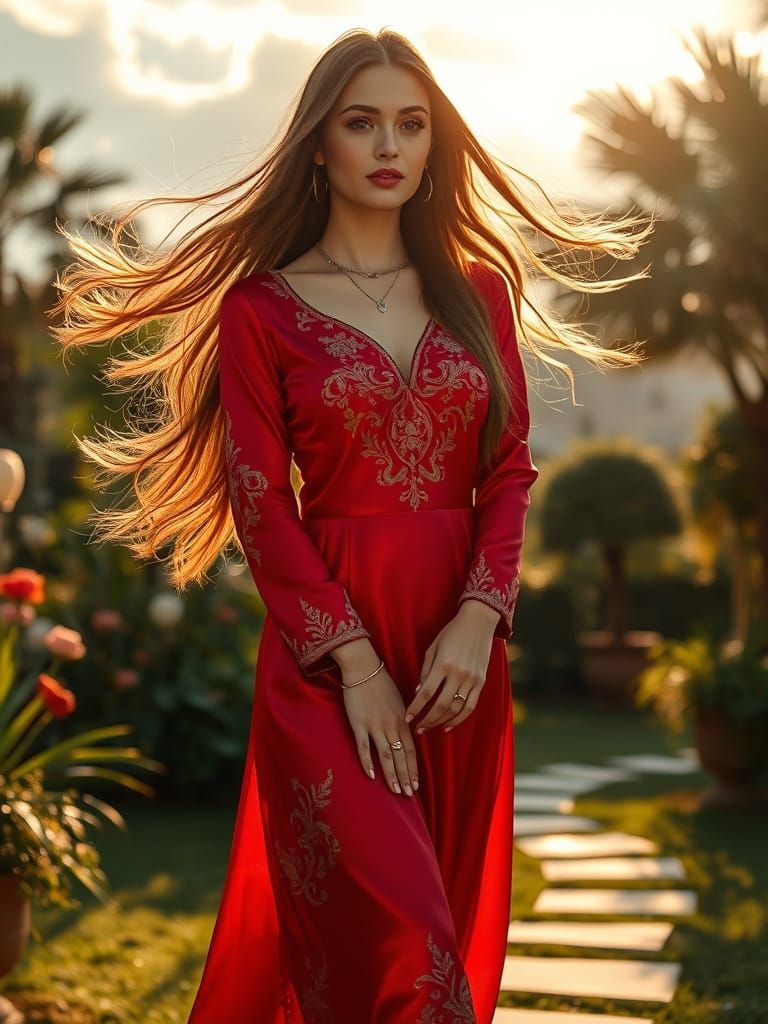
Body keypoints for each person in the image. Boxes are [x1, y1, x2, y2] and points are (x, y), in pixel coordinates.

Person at [49, 26, 652, 1024]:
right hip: (326, 665)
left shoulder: (479, 295)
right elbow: (259, 502)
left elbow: (507, 469)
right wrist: (354, 662)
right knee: (406, 961)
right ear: (318, 144)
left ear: (432, 145)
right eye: (361, 121)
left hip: (456, 664)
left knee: (440, 937)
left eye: (411, 125)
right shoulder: (261, 310)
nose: (389, 144)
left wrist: (480, 615)